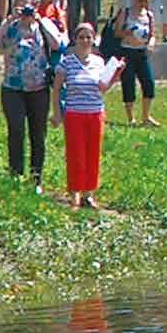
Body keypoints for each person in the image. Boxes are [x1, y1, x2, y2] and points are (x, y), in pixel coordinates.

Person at [0, 0, 62, 190]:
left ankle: (36, 177)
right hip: (13, 88)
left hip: (39, 89)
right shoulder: (11, 27)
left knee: (38, 134)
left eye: (30, 8)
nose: (26, 13)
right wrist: (9, 20)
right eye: (23, 8)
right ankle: (15, 174)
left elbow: (57, 44)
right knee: (16, 130)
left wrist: (40, 21)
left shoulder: (43, 25)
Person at [53, 23, 123, 209]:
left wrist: (116, 74)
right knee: (76, 154)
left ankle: (89, 193)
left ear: (94, 40)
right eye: (81, 37)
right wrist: (57, 113)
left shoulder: (99, 62)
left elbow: (103, 88)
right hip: (74, 114)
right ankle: (75, 193)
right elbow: (57, 89)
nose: (85, 41)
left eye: (88, 37)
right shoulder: (66, 62)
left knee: (93, 154)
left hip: (95, 113)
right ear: (75, 40)